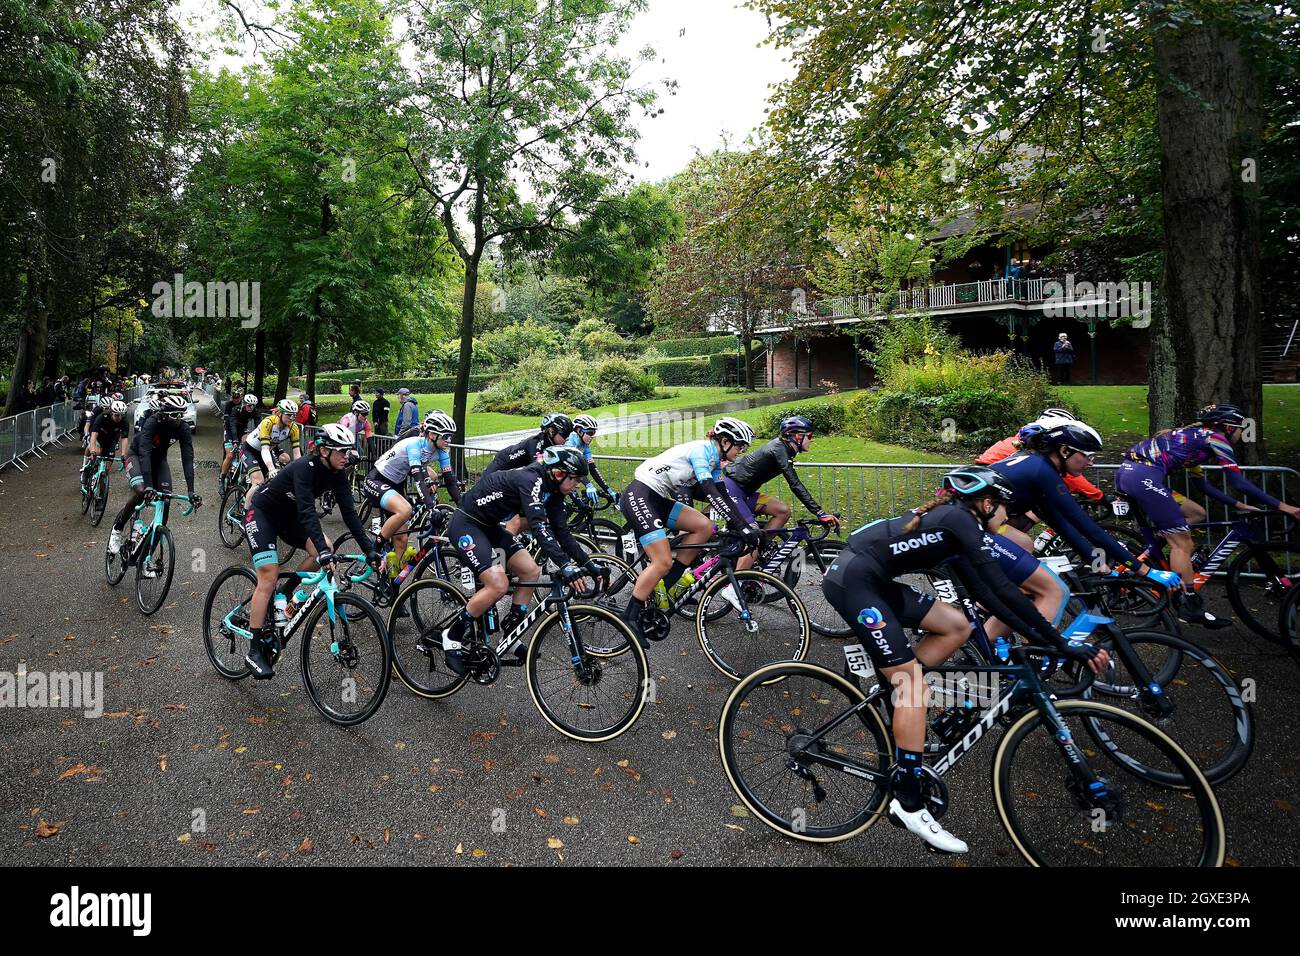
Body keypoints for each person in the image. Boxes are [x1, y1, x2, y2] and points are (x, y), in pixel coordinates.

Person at [822, 466, 1108, 853]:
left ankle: (901, 697)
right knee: (912, 687)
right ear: (987, 503)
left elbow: (990, 597)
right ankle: (909, 802)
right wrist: (1061, 643)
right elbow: (1005, 589)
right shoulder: (959, 520)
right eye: (1005, 509)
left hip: (872, 580)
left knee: (956, 625)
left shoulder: (954, 530)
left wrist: (1054, 642)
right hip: (852, 583)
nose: (1008, 518)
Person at [1117, 402, 1300, 625]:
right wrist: (1283, 506)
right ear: (1229, 427)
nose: (1243, 433)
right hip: (1143, 478)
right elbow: (1238, 482)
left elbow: (1202, 486)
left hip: (1134, 475)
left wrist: (1238, 505)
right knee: (1183, 544)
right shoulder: (1215, 439)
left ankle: (1156, 549)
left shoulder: (1194, 440)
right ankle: (1188, 604)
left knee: (1197, 513)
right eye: (1241, 427)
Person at [442, 445, 600, 673]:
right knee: (498, 584)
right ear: (558, 473)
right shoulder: (530, 479)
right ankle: (452, 635)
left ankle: (512, 631)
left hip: (491, 528)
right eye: (575, 478)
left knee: (531, 571)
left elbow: (562, 533)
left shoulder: (554, 491)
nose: (577, 484)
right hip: (467, 524)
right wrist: (565, 565)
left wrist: (588, 564)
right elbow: (538, 526)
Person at [241, 423, 380, 678]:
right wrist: (323, 551)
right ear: (324, 450)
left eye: (348, 451)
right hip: (262, 514)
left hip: (289, 518)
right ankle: (254, 650)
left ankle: (284, 593)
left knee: (323, 549)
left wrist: (370, 550)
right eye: (342, 451)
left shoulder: (338, 472)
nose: (346, 456)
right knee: (269, 576)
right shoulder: (304, 467)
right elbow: (307, 512)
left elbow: (350, 515)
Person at [987, 419, 1180, 589]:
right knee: (1049, 590)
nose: (1092, 463)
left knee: (1024, 546)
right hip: (970, 525)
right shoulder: (1042, 471)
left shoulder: (1036, 465)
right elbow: (1087, 527)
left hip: (976, 522)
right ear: (1064, 450)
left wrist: (1098, 564)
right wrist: (1145, 570)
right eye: (1088, 455)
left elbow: (1063, 526)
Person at [618, 417, 761, 643]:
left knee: (704, 526)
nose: (741, 452)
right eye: (740, 446)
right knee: (662, 561)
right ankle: (630, 616)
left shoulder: (714, 461)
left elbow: (722, 494)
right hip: (640, 495)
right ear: (725, 441)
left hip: (656, 498)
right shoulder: (701, 450)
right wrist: (742, 528)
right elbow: (709, 491)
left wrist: (744, 525)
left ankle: (669, 584)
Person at [724, 415, 840, 552]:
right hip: (732, 490)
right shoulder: (779, 449)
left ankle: (760, 551)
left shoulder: (785, 449)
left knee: (782, 511)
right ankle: (742, 572)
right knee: (753, 538)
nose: (812, 440)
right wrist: (819, 512)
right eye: (809, 436)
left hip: (745, 492)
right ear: (796, 436)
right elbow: (794, 483)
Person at [361, 410, 462, 562]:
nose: (449, 440)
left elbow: (450, 482)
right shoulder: (414, 445)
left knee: (402, 539)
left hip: (396, 483)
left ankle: (392, 582)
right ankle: (375, 550)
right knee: (405, 510)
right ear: (432, 435)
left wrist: (463, 506)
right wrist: (431, 508)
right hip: (377, 480)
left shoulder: (442, 452)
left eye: (451, 436)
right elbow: (418, 478)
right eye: (446, 436)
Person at [107, 394, 200, 556]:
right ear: (164, 414)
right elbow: (144, 453)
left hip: (159, 461)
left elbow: (187, 458)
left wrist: (191, 490)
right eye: (174, 415)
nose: (179, 419)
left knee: (166, 501)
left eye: (181, 414)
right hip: (137, 456)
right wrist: (149, 485)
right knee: (142, 491)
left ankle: (146, 558)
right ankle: (118, 528)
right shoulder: (152, 423)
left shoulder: (183, 427)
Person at [977, 410, 1111, 503]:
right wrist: (1099, 496)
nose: (1091, 462)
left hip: (986, 474)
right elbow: (1071, 479)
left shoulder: (1022, 442)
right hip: (990, 483)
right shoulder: (1039, 454)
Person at [241, 399, 302, 508]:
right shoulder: (268, 422)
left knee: (271, 483)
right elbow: (264, 448)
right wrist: (271, 468)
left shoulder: (293, 428)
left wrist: (301, 471)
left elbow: (297, 454)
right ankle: (245, 518)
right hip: (250, 449)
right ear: (279, 413)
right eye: (289, 415)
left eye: (294, 415)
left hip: (265, 453)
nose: (291, 418)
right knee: (258, 482)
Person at [478, 412, 572, 481]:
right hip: (502, 462)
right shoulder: (536, 442)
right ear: (551, 431)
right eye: (565, 435)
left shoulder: (550, 444)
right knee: (481, 488)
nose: (567, 439)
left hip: (513, 470)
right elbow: (538, 465)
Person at [565, 414, 618, 505]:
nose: (592, 436)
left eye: (594, 433)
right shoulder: (570, 441)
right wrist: (588, 485)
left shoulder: (584, 445)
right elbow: (573, 467)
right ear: (579, 431)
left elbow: (592, 468)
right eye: (590, 432)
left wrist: (609, 490)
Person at [81, 399, 130, 492]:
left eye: (121, 415)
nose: (119, 417)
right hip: (99, 438)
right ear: (111, 413)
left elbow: (124, 438)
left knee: (107, 469)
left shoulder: (124, 421)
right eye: (116, 415)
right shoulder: (102, 417)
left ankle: (102, 493)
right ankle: (86, 472)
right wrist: (92, 450)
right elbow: (94, 435)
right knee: (97, 453)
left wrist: (123, 454)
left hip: (111, 441)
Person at [221, 393, 260, 487]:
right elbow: (233, 426)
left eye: (253, 406)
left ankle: (239, 465)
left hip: (242, 431)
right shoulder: (236, 409)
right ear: (244, 403)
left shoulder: (254, 411)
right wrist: (235, 440)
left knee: (247, 441)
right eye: (249, 405)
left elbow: (259, 426)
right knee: (230, 455)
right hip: (230, 431)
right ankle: (221, 479)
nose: (251, 408)